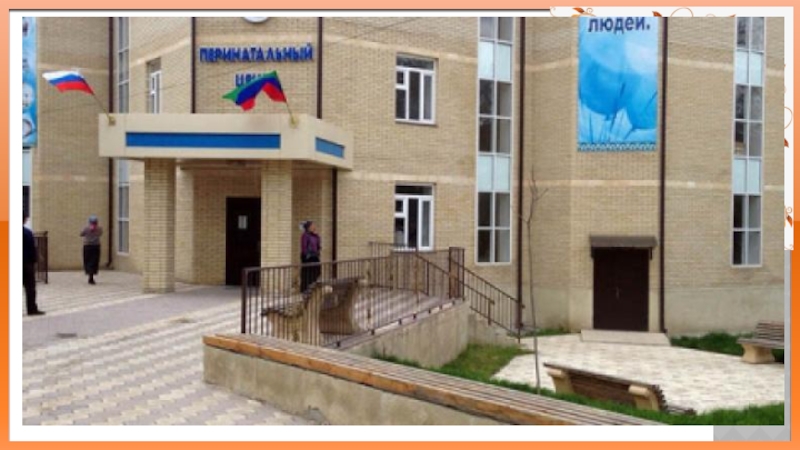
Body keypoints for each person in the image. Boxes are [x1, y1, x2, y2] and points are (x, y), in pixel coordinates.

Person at [23, 213, 44, 316]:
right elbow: (32, 248)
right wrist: (36, 259)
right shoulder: (27, 233)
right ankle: (31, 309)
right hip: (27, 263)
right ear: (24, 219)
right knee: (30, 287)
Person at [300, 221, 322, 295]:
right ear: (308, 227)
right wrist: (306, 254)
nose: (314, 227)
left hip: (315, 256)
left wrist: (317, 236)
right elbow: (304, 247)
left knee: (317, 271)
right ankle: (305, 289)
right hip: (308, 257)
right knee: (307, 273)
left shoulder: (315, 236)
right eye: (312, 226)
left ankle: (313, 286)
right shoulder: (305, 235)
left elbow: (318, 245)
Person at [80, 215, 103, 285]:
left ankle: (90, 274)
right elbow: (100, 234)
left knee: (87, 261)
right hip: (96, 246)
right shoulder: (99, 229)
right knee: (94, 261)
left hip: (87, 246)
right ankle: (92, 275)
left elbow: (81, 234)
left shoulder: (86, 228)